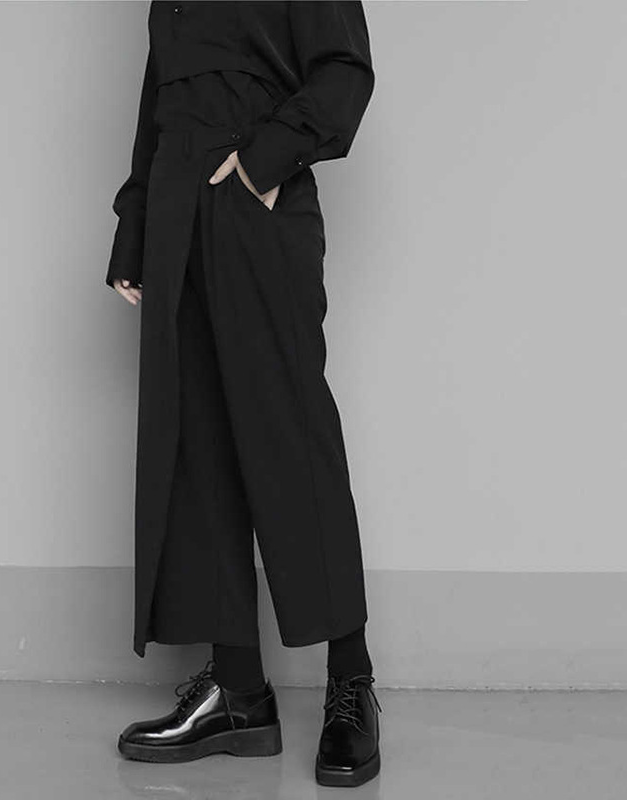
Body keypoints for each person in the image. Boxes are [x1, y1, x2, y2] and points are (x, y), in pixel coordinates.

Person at [105, 1, 380, 788]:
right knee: (197, 445)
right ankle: (238, 692)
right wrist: (136, 225)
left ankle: (350, 682)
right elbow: (161, 101)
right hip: (176, 208)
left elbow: (345, 71)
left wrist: (264, 164)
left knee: (290, 439)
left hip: (258, 201)